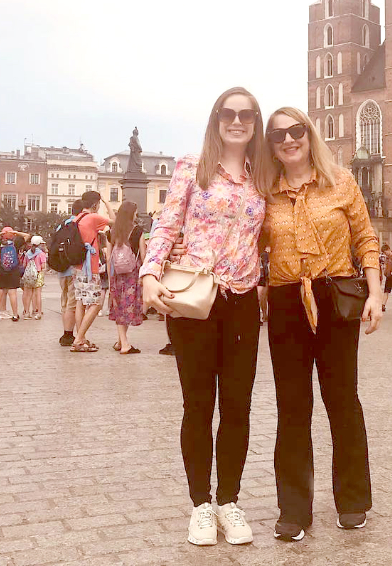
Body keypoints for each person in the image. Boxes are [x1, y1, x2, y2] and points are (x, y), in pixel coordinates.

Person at [141, 87, 266, 547]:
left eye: (247, 115)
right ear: (216, 119)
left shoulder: (263, 176)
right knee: (198, 405)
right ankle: (200, 504)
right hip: (195, 297)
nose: (237, 121)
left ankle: (229, 501)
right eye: (228, 113)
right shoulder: (192, 167)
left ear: (255, 121)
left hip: (242, 302)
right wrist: (151, 273)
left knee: (237, 406)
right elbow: (168, 225)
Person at [259, 106, 381, 542]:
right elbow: (243, 243)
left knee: (342, 401)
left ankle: (352, 500)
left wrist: (377, 293)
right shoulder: (265, 193)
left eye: (296, 131)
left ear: (309, 135)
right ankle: (294, 509)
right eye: (278, 135)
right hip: (287, 299)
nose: (289, 140)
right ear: (270, 145)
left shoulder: (341, 182)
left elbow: (366, 239)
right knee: (292, 407)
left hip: (336, 297)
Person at [70, 191, 116, 352]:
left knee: (80, 302)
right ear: (96, 204)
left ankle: (81, 338)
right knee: (96, 304)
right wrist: (108, 204)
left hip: (78, 266)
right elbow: (115, 223)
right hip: (90, 267)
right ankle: (78, 340)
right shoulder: (93, 217)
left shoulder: (77, 218)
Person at [108, 201, 144, 354]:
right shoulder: (137, 231)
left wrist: (110, 277)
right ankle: (125, 345)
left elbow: (109, 256)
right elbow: (144, 255)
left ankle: (120, 341)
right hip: (132, 274)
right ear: (131, 213)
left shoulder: (112, 231)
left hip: (116, 275)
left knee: (119, 307)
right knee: (127, 308)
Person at [56, 201, 85, 346]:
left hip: (61, 268)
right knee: (73, 303)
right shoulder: (79, 225)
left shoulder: (61, 225)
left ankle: (66, 330)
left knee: (65, 301)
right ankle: (68, 334)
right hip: (74, 268)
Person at [0, 226, 29, 321]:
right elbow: (27, 236)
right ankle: (15, 315)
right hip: (13, 271)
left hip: (1, 270)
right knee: (12, 293)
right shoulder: (17, 243)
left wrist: (0, 233)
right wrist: (16, 232)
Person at [20, 236, 47, 320]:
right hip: (38, 275)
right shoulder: (41, 254)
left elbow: (24, 265)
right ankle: (38, 312)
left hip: (29, 276)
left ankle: (27, 312)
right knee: (38, 294)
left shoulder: (28, 253)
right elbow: (43, 266)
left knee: (28, 294)